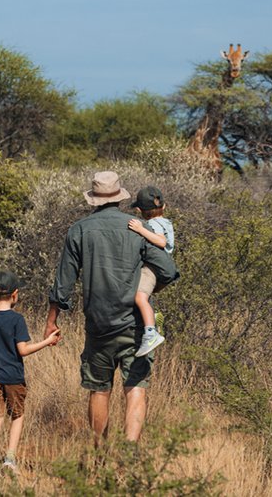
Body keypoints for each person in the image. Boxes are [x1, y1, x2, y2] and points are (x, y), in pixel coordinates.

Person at [46, 171, 179, 447]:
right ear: (120, 197)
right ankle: (130, 455)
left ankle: (99, 456)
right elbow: (167, 269)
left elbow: (63, 282)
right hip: (135, 326)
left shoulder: (79, 230)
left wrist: (52, 320)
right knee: (135, 389)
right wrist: (146, 291)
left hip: (98, 324)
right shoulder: (138, 226)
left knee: (99, 390)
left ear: (94, 199)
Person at [0, 270, 60, 476]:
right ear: (15, 294)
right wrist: (47, 342)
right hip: (13, 377)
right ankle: (10, 460)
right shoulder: (17, 319)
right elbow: (23, 350)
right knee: (17, 416)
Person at [127, 186, 174, 357]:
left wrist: (141, 230)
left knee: (139, 296)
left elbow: (160, 242)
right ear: (164, 206)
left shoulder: (154, 224)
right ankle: (153, 317)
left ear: (139, 210)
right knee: (145, 297)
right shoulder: (165, 221)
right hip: (159, 268)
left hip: (153, 267)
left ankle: (150, 333)